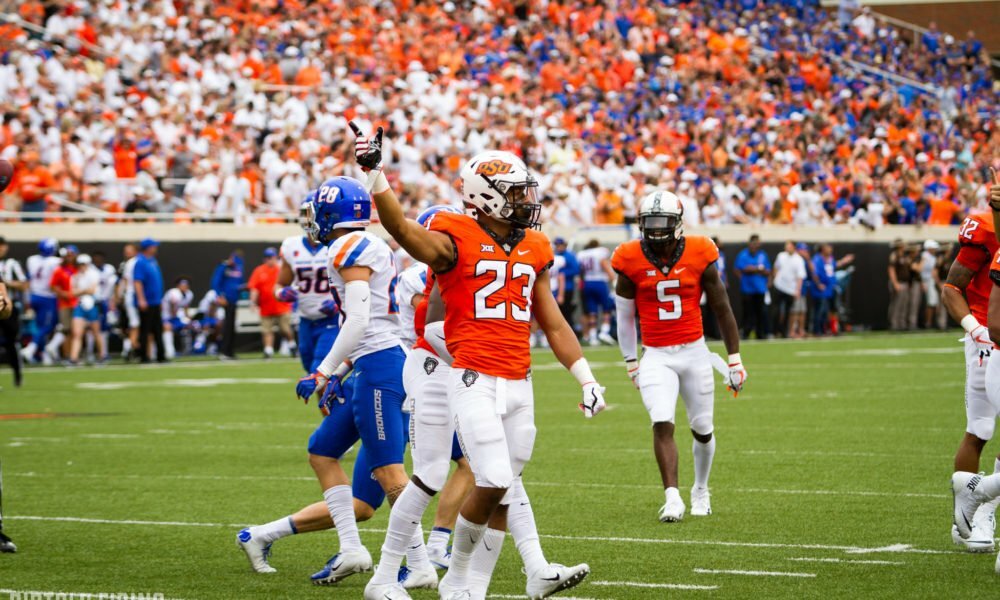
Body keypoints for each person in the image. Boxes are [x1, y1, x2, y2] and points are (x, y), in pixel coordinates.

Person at [354, 126, 605, 600]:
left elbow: (553, 323)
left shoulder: (535, 245)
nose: (526, 201)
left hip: (518, 378)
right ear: (486, 196)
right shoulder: (454, 236)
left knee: (508, 482)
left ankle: (499, 580)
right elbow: (402, 230)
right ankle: (433, 578)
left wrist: (586, 378)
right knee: (471, 476)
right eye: (515, 193)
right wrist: (375, 174)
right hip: (458, 372)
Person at [291, 176, 423, 587]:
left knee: (389, 473)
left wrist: (324, 369)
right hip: (372, 362)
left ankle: (419, 564)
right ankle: (351, 547)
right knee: (322, 450)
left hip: (381, 365)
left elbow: (361, 320)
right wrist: (341, 370)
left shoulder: (348, 246)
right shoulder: (365, 244)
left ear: (332, 212)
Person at [612, 191, 746, 522]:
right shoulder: (629, 257)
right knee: (661, 421)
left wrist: (735, 358)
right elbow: (624, 317)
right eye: (650, 223)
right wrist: (631, 361)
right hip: (656, 355)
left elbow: (722, 307)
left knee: (702, 428)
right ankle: (672, 498)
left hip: (694, 351)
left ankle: (700, 488)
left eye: (662, 222)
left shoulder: (700, 251)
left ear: (678, 223)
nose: (656, 229)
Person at [942, 208, 1000, 551]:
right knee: (980, 428)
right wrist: (975, 330)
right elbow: (952, 287)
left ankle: (982, 505)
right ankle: (973, 513)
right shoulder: (986, 228)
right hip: (988, 338)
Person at [248, 248, 295, 358]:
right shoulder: (259, 271)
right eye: (268, 258)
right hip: (266, 306)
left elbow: (290, 285)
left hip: (282, 306)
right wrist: (253, 302)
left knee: (285, 329)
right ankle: (268, 350)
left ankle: (292, 345)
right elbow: (254, 288)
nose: (270, 260)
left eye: (272, 257)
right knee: (266, 330)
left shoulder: (281, 269)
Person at [21, 238, 61, 365]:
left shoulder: (31, 259)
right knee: (47, 327)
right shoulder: (55, 261)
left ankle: (43, 355)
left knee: (40, 328)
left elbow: (28, 279)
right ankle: (30, 349)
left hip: (34, 295)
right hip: (47, 297)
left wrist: (26, 299)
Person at [577, 239, 616, 345]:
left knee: (592, 312)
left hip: (587, 283)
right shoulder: (600, 252)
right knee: (607, 309)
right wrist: (614, 280)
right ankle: (604, 332)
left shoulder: (582, 254)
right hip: (599, 282)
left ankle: (593, 336)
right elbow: (604, 265)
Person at [0, 237, 27, 386]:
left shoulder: (12, 264)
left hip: (8, 307)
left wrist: (7, 284)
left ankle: (18, 376)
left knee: (12, 342)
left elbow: (24, 285)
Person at [133, 238, 165, 363]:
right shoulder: (140, 262)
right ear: (148, 248)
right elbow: (138, 281)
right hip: (147, 301)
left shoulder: (152, 260)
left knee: (158, 329)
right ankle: (143, 356)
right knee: (145, 330)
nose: (156, 248)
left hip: (155, 301)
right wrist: (141, 299)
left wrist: (160, 299)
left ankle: (161, 355)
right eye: (153, 246)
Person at [68, 254, 103, 365]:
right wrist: (84, 290)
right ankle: (73, 358)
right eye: (79, 264)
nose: (81, 266)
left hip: (92, 305)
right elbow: (73, 292)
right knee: (77, 333)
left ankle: (102, 356)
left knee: (96, 332)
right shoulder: (75, 276)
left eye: (83, 264)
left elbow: (92, 290)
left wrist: (80, 291)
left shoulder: (94, 274)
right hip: (80, 305)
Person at [734, 234, 770, 339]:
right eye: (754, 243)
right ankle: (746, 333)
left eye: (757, 243)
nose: (755, 245)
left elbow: (768, 270)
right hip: (747, 289)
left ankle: (760, 334)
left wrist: (756, 270)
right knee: (748, 313)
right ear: (750, 243)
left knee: (760, 312)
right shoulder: (743, 254)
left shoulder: (763, 255)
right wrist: (756, 269)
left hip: (760, 289)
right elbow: (739, 269)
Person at [48, 245, 79, 362]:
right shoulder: (59, 270)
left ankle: (73, 355)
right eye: (68, 255)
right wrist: (63, 293)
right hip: (64, 303)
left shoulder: (78, 268)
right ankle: (66, 355)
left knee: (76, 331)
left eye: (72, 255)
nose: (69, 257)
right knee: (66, 330)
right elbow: (52, 286)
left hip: (78, 303)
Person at [211, 251, 244, 359]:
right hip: (225, 300)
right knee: (226, 326)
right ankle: (223, 351)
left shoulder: (239, 267)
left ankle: (229, 351)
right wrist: (220, 296)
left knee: (232, 326)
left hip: (234, 300)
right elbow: (215, 283)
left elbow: (239, 282)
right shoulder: (223, 267)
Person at [771, 241, 807, 338]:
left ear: (794, 247)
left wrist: (797, 290)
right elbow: (776, 267)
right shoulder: (781, 256)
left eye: (789, 246)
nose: (787, 248)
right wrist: (775, 278)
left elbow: (800, 276)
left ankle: (784, 332)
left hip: (790, 290)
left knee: (788, 312)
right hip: (779, 286)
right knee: (776, 310)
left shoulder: (799, 259)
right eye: (786, 246)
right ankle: (774, 331)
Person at [117, 243, 140, 360]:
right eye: (126, 250)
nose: (127, 252)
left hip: (134, 297)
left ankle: (131, 348)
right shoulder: (127, 264)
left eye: (129, 250)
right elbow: (123, 281)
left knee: (134, 324)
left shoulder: (136, 262)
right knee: (130, 325)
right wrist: (119, 296)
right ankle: (131, 348)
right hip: (130, 297)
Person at [553, 237, 580, 335]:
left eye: (560, 245)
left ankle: (570, 332)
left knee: (566, 311)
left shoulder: (569, 256)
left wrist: (561, 274)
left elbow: (576, 270)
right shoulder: (555, 255)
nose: (559, 247)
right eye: (557, 245)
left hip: (567, 287)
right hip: (555, 288)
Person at [161, 278, 194, 359]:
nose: (184, 287)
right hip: (166, 317)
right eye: (182, 285)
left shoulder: (189, 294)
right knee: (168, 327)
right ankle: (169, 351)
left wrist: (188, 318)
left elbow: (186, 307)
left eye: (186, 285)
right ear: (178, 286)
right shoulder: (173, 292)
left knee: (191, 325)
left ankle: (188, 350)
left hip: (176, 317)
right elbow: (173, 309)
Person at [789, 243, 811, 338]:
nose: (805, 252)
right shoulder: (794, 260)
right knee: (794, 311)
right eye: (803, 250)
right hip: (794, 289)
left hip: (803, 289)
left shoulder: (805, 261)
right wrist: (796, 289)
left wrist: (808, 259)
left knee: (802, 310)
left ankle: (801, 330)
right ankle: (792, 331)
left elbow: (813, 272)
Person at [887, 239, 910, 330]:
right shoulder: (894, 255)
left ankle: (902, 323)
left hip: (904, 283)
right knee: (896, 303)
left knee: (903, 304)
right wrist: (895, 283)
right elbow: (891, 270)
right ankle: (894, 324)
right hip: (898, 282)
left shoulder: (904, 256)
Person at [920, 240, 942, 329]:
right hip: (928, 281)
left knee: (934, 302)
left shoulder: (932, 257)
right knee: (931, 302)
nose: (935, 249)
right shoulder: (925, 255)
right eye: (933, 248)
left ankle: (930, 323)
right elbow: (921, 270)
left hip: (932, 281)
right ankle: (928, 323)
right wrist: (922, 282)